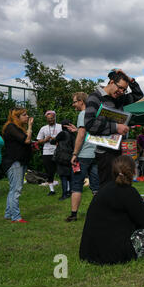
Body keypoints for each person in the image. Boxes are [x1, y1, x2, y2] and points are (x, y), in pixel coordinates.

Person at [84, 69, 144, 188]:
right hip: (105, 153)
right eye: (120, 87)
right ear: (111, 82)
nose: (121, 92)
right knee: (107, 188)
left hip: (119, 151)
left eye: (124, 90)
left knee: (120, 186)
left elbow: (138, 95)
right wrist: (116, 127)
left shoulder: (119, 98)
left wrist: (129, 79)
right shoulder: (95, 97)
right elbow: (89, 124)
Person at [65, 92, 100, 222]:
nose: (73, 104)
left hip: (83, 156)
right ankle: (100, 213)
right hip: (96, 154)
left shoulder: (82, 114)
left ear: (81, 101)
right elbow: (90, 133)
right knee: (96, 186)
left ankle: (73, 214)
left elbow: (82, 135)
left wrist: (74, 153)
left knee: (76, 184)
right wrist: (77, 130)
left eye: (74, 101)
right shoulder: (95, 114)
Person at [2, 108, 34, 223]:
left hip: (18, 161)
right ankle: (16, 217)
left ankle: (8, 213)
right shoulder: (11, 127)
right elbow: (26, 140)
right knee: (16, 190)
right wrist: (30, 127)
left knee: (13, 189)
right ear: (17, 117)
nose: (27, 117)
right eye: (24, 115)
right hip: (14, 162)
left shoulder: (17, 128)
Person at [36, 110, 62, 196]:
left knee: (62, 170)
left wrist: (57, 140)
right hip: (47, 152)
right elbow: (38, 141)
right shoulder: (43, 128)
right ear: (46, 119)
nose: (50, 120)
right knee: (49, 172)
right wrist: (45, 140)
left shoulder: (60, 127)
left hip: (59, 151)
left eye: (52, 118)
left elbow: (65, 137)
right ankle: (51, 190)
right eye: (48, 119)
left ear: (55, 117)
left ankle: (66, 188)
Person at [51, 119, 76, 201]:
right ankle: (71, 192)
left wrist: (55, 140)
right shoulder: (73, 134)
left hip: (62, 157)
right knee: (70, 176)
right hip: (71, 157)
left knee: (63, 176)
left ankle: (64, 194)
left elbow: (52, 141)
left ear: (62, 126)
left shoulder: (62, 133)